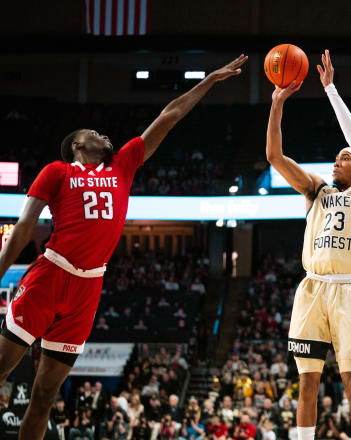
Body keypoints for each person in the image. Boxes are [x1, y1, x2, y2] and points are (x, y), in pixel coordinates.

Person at [0, 54, 247, 439]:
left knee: (45, 393)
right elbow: (23, 228)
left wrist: (210, 81)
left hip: (88, 288)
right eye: (94, 133)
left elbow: (169, 115)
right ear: (77, 145)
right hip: (50, 274)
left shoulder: (123, 165)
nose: (104, 136)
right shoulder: (57, 171)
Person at [266, 49, 351, 440]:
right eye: (336, 157)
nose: (339, 160)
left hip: (347, 291)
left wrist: (331, 90)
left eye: (344, 157)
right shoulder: (316, 189)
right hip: (312, 288)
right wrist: (277, 103)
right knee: (307, 383)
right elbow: (274, 156)